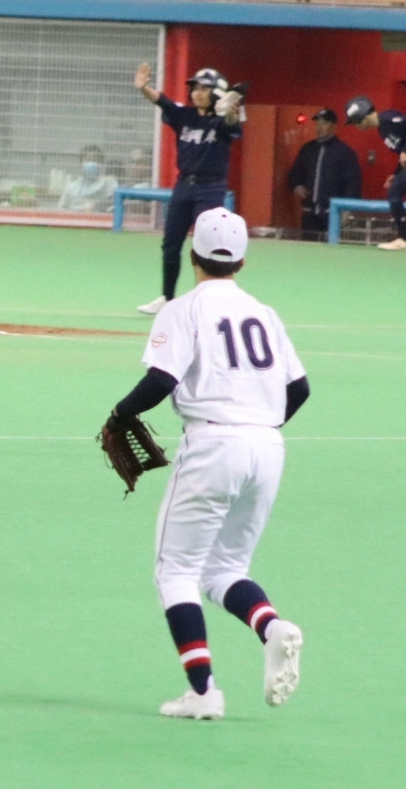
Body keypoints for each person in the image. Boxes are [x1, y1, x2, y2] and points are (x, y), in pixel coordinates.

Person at [104, 207, 310, 719]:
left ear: (192, 254)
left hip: (213, 444)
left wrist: (120, 414)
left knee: (176, 571)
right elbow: (300, 389)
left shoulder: (184, 309)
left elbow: (161, 380)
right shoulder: (263, 312)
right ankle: (272, 627)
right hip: (267, 447)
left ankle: (203, 692)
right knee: (225, 569)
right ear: (242, 260)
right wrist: (259, 424)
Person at [134, 64, 242, 315]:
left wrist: (230, 111)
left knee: (208, 245)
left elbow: (232, 125)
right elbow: (163, 101)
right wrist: (143, 88)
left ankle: (206, 300)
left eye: (204, 88)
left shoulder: (223, 120)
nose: (197, 93)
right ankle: (167, 297)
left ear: (217, 92)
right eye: (195, 88)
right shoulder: (185, 116)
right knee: (170, 243)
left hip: (211, 187)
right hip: (183, 186)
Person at [345, 95, 406, 250]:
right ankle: (405, 238)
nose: (356, 127)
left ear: (362, 117)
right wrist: (396, 173)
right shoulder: (382, 130)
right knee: (394, 191)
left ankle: (405, 239)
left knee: (394, 193)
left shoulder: (387, 119)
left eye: (355, 122)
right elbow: (403, 155)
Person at [288, 108, 362, 239]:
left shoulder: (345, 152)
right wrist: (297, 186)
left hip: (333, 213)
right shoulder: (307, 149)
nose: (319, 127)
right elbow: (295, 174)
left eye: (324, 123)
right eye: (317, 124)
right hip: (309, 214)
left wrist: (347, 209)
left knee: (331, 247)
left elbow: (353, 183)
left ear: (334, 126)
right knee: (307, 247)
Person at [58, 145, 118, 213]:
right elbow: (61, 208)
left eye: (95, 160)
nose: (91, 163)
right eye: (88, 160)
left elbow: (114, 206)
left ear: (101, 164)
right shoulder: (72, 187)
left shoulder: (109, 184)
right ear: (81, 163)